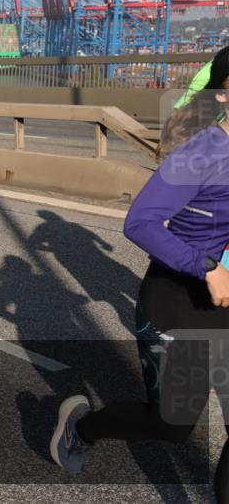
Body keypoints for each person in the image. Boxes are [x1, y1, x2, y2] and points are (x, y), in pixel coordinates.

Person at [50, 46, 229, 500]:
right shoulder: (201, 156)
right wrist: (207, 268)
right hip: (183, 302)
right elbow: (140, 222)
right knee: (171, 426)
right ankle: (82, 428)